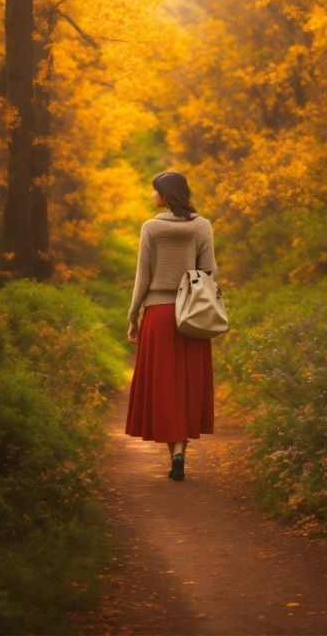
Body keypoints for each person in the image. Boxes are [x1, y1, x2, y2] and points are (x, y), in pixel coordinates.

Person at [125, 171, 217, 482]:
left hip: (159, 314)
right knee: (187, 386)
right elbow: (209, 271)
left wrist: (133, 315)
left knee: (164, 387)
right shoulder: (201, 225)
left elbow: (143, 276)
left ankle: (173, 456)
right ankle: (181, 453)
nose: (152, 196)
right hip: (191, 313)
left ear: (166, 194)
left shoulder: (151, 228)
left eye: (154, 191)